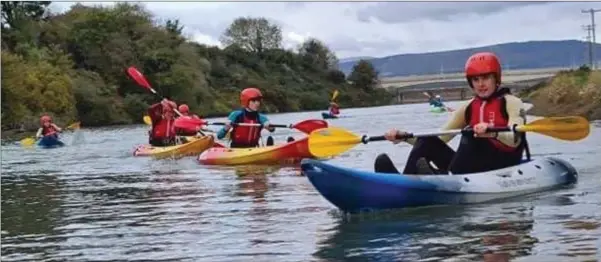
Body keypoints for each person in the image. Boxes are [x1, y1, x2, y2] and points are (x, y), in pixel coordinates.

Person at [376, 52, 530, 175]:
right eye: (476, 79)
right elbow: (442, 137)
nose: (481, 84)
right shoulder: (468, 107)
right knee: (428, 140)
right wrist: (404, 136)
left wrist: (492, 133)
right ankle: (405, 181)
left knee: (470, 134)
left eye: (486, 78)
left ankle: (446, 175)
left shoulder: (512, 102)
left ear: (496, 78)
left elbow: (515, 139)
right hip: (471, 167)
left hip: (503, 164)